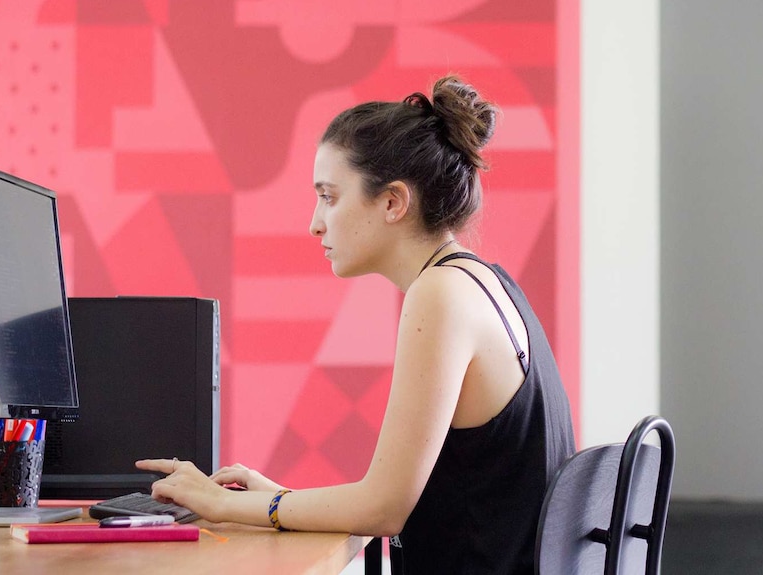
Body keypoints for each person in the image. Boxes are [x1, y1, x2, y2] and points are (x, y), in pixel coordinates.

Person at [136, 75, 575, 574]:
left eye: (329, 196)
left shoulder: (440, 294)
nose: (315, 222)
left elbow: (384, 510)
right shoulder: (485, 282)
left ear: (392, 202)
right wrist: (280, 498)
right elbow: (394, 497)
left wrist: (224, 505)